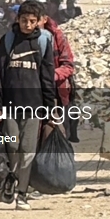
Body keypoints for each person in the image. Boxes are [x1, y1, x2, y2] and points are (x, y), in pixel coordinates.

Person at [0, 1, 56, 211]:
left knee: (27, 150)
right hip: (10, 105)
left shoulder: (44, 42)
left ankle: (22, 193)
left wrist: (50, 106)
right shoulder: (8, 40)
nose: (27, 25)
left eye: (32, 21)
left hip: (34, 106)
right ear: (17, 19)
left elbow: (47, 76)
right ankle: (11, 178)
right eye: (23, 20)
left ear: (38, 22)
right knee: (12, 146)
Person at [41, 13, 78, 143]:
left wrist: (51, 75)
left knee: (60, 133)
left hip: (57, 92)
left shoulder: (57, 37)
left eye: (35, 20)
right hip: (33, 94)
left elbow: (68, 65)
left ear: (44, 19)